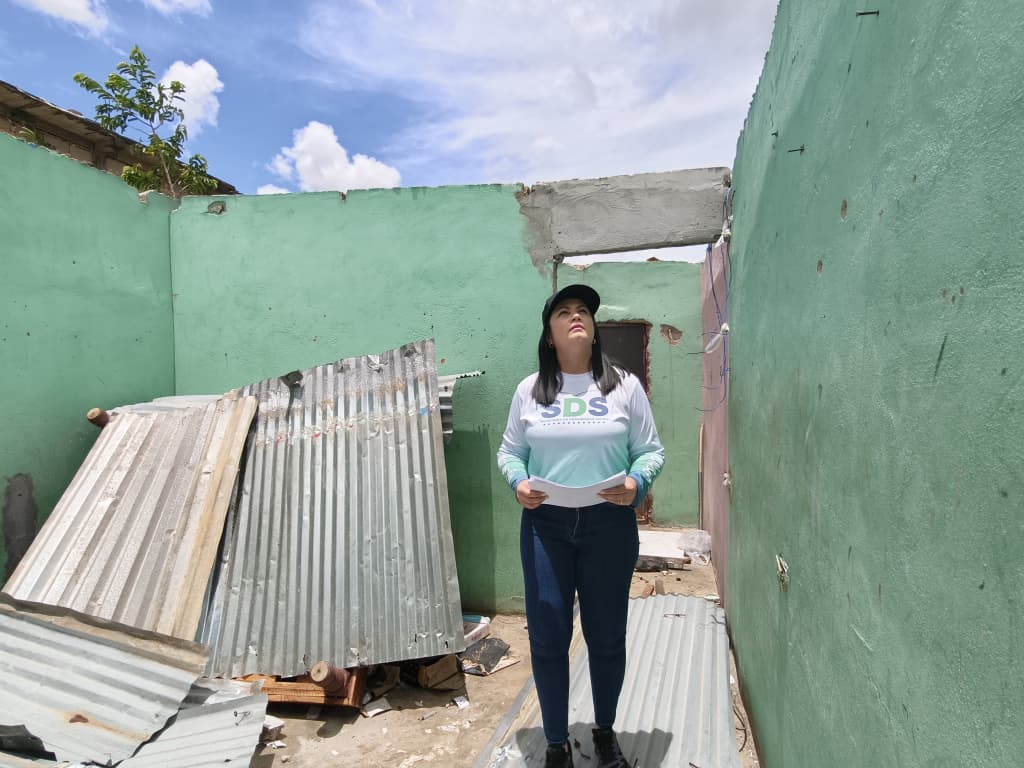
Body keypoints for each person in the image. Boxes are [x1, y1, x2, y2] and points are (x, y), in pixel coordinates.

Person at [496, 284, 665, 768]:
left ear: (593, 329)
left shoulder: (624, 387)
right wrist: (518, 483)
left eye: (584, 311)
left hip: (608, 525)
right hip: (545, 527)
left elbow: (650, 451)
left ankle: (605, 733)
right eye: (564, 311)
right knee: (548, 637)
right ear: (549, 336)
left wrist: (636, 482)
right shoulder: (530, 391)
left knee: (607, 636)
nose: (576, 316)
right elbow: (510, 452)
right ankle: (555, 744)